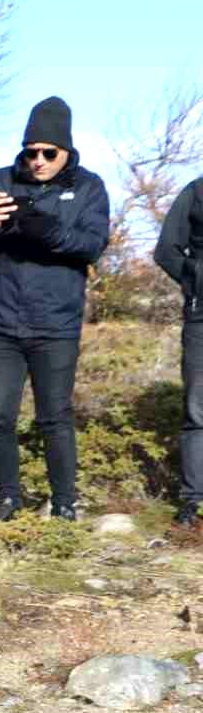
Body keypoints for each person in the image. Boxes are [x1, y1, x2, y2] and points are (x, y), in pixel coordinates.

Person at [0, 97, 110, 522]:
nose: (39, 161)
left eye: (49, 153)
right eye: (31, 152)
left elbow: (93, 244)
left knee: (54, 416)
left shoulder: (88, 187)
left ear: (66, 150)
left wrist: (49, 230)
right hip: (0, 323)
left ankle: (64, 502)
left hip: (55, 324)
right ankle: (7, 497)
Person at [154, 170, 203, 526]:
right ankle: (193, 500)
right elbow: (166, 249)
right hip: (201, 319)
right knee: (198, 411)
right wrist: (197, 280)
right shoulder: (197, 190)